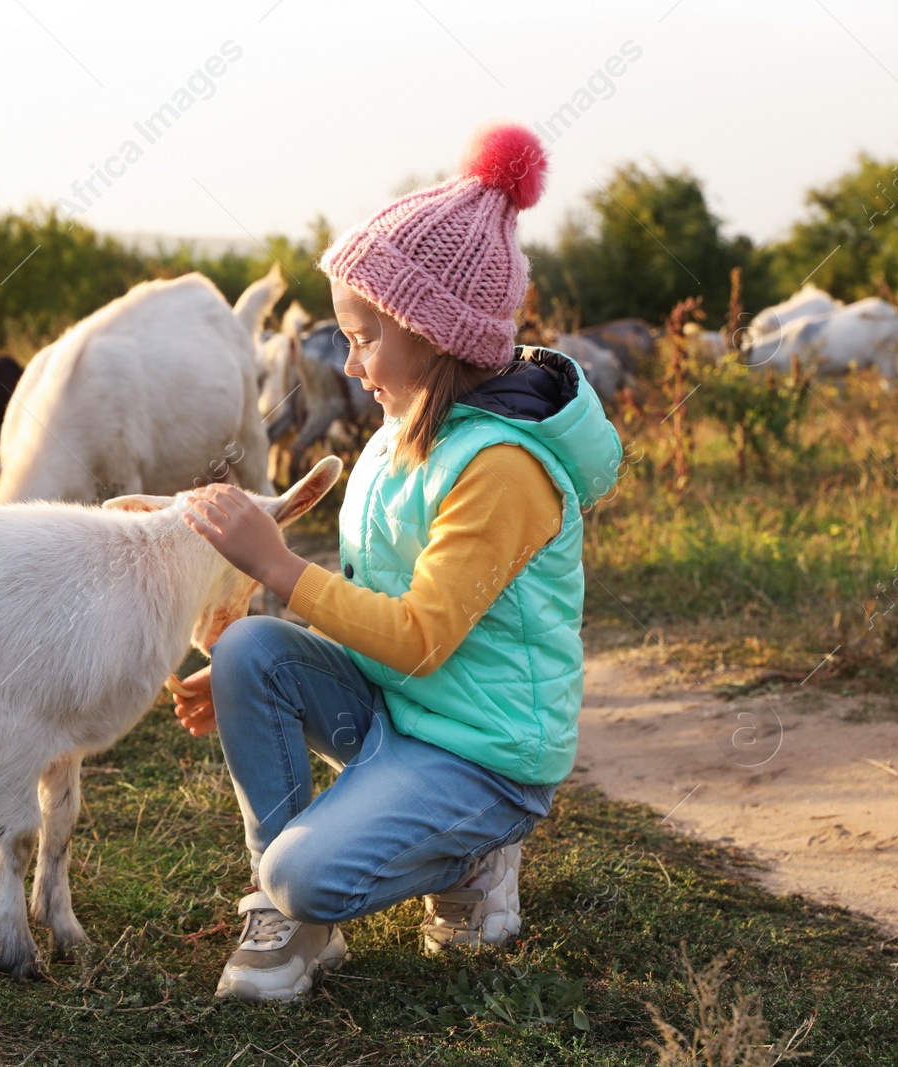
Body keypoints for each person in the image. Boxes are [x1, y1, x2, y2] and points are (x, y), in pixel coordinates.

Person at [171, 122, 623, 1003]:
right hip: (401, 713)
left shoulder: (501, 470)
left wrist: (275, 563)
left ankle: (468, 855)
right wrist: (256, 674)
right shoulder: (398, 436)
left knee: (305, 869)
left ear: (433, 332)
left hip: (482, 753)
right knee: (247, 652)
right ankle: (292, 913)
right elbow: (378, 612)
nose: (350, 361)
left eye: (364, 335)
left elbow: (419, 638)